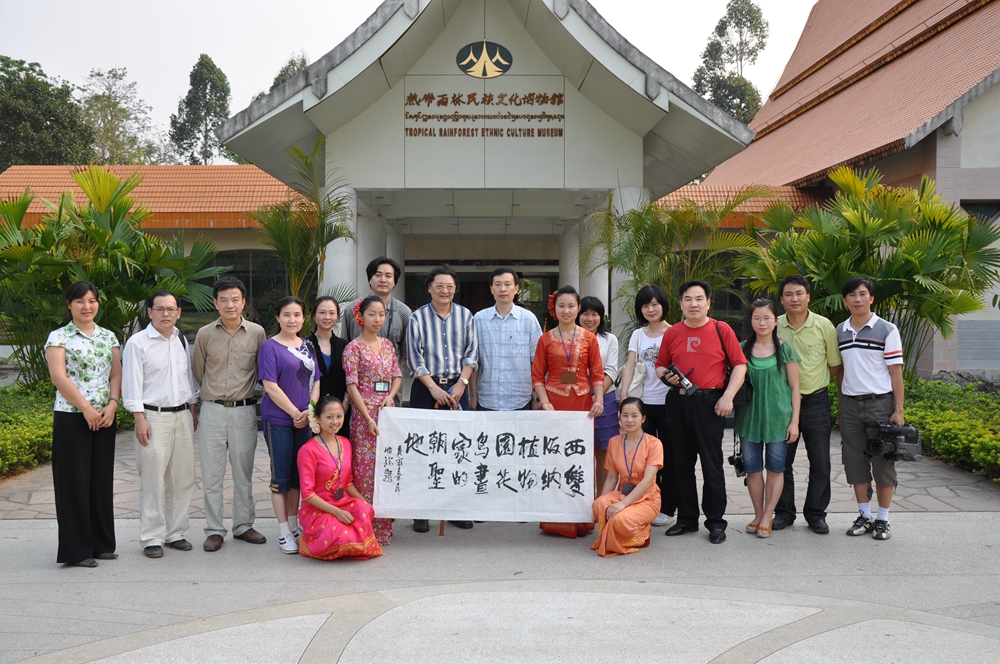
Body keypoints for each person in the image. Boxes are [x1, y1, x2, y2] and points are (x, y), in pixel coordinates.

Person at [654, 280, 746, 544]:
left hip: (710, 403)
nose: (693, 304)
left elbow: (740, 365)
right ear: (681, 304)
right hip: (678, 402)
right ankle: (686, 519)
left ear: (708, 303)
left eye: (698, 299)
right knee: (680, 464)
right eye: (688, 299)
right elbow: (660, 366)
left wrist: (728, 396)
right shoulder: (672, 333)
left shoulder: (721, 329)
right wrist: (666, 376)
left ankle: (716, 522)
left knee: (711, 464)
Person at [44, 281, 122, 567]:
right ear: (69, 305)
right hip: (71, 417)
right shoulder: (59, 337)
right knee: (73, 482)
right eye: (80, 301)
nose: (87, 306)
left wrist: (113, 404)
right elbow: (58, 377)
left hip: (104, 417)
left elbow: (116, 374)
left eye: (92, 301)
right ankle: (77, 551)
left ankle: (102, 544)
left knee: (100, 481)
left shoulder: (108, 336)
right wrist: (86, 408)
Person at [191, 276, 268, 552]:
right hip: (212, 410)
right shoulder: (204, 334)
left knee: (243, 474)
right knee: (212, 476)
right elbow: (198, 372)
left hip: (244, 411)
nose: (230, 305)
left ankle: (243, 525)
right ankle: (214, 530)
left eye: (235, 299)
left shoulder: (257, 333)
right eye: (223, 300)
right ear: (215, 303)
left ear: (243, 302)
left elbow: (261, 370)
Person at [121, 290, 199, 559]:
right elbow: (131, 383)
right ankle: (152, 537)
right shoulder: (137, 343)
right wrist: (139, 419)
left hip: (182, 415)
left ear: (178, 312)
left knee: (183, 477)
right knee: (153, 479)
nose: (166, 314)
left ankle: (175, 532)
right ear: (150, 312)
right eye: (160, 309)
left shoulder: (180, 339)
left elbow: (187, 378)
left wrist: (192, 409)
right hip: (153, 418)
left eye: (171, 309)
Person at [406, 264, 479, 533]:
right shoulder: (417, 317)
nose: (444, 291)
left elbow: (472, 354)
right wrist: (433, 388)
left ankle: (455, 508)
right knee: (423, 449)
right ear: (429, 288)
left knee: (457, 449)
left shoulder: (466, 316)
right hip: (426, 388)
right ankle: (421, 511)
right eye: (439, 286)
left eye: (449, 286)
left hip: (458, 387)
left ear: (455, 289)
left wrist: (462, 384)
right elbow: (414, 358)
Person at [532, 285, 605, 538]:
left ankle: (581, 519)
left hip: (583, 405)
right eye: (561, 306)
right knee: (555, 458)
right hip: (554, 404)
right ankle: (554, 520)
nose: (566, 310)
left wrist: (599, 399)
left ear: (578, 308)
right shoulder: (545, 339)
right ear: (554, 308)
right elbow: (537, 376)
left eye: (571, 306)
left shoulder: (590, 338)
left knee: (580, 459)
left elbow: (597, 374)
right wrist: (544, 402)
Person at [837, 277, 905, 541]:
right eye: (852, 295)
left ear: (871, 298)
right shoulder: (840, 330)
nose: (857, 299)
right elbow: (841, 371)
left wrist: (898, 410)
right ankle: (864, 516)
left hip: (880, 405)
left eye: (863, 294)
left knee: (883, 463)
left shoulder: (887, 329)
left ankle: (883, 519)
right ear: (845, 300)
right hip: (850, 405)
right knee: (854, 462)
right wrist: (841, 403)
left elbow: (896, 372)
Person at [773, 274, 842, 534]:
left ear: (808, 296)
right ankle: (784, 513)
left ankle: (816, 514)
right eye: (789, 294)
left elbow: (834, 365)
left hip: (816, 401)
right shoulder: (774, 325)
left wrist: (814, 385)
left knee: (820, 461)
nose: (794, 298)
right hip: (782, 403)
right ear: (782, 300)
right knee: (782, 461)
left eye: (799, 293)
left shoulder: (824, 326)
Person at [259, 296, 321, 554]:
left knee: (298, 476)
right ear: (278, 317)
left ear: (303, 318)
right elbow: (270, 385)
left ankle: (295, 526)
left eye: (297, 315)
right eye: (286, 314)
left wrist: (310, 410)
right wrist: (296, 412)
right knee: (281, 477)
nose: (292, 320)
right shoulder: (269, 347)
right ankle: (283, 530)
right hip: (279, 420)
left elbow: (317, 381)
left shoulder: (308, 345)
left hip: (305, 420)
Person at [734, 299, 801, 539]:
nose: (762, 323)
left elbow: (795, 388)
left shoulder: (786, 349)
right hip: (749, 419)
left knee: (775, 469)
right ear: (751, 321)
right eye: (757, 318)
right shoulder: (741, 349)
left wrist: (794, 422)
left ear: (775, 321)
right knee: (753, 470)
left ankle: (768, 516)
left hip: (778, 420)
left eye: (766, 318)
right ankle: (758, 514)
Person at [343, 296, 402, 546]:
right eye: (372, 314)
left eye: (381, 314)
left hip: (387, 412)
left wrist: (390, 396)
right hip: (364, 415)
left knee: (386, 467)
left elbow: (397, 375)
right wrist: (367, 417)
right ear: (360, 317)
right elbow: (352, 385)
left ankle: (383, 528)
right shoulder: (353, 348)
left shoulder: (387, 345)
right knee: (365, 471)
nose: (377, 319)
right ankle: (365, 527)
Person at [296, 396, 382, 560]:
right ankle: (311, 538)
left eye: (339, 416)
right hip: (319, 508)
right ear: (317, 419)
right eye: (329, 417)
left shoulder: (345, 443)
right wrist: (337, 512)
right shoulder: (308, 450)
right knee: (342, 537)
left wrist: (364, 502)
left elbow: (347, 483)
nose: (335, 422)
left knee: (363, 509)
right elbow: (307, 494)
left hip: (342, 502)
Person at [617, 284, 675, 527]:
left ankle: (667, 507)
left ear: (663, 305)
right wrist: (624, 397)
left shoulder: (673, 332)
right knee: (642, 459)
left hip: (669, 403)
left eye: (655, 304)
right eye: (645, 305)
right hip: (643, 404)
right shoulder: (638, 335)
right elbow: (630, 366)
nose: (651, 309)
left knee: (668, 457)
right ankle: (646, 502)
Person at [591, 398, 663, 556]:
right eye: (625, 415)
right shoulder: (614, 442)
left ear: (643, 418)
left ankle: (641, 533)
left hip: (647, 498)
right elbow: (611, 478)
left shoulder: (654, 443)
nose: (629, 420)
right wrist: (601, 505)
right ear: (619, 417)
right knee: (598, 505)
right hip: (622, 494)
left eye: (634, 415)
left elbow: (648, 481)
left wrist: (623, 504)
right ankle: (619, 532)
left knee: (619, 519)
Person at [470, 267, 542, 412]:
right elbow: (474, 362)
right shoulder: (479, 319)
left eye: (507, 284)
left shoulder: (528, 319)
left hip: (521, 400)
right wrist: (472, 395)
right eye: (498, 284)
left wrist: (536, 396)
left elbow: (537, 361)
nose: (503, 289)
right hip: (487, 400)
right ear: (491, 289)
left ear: (516, 288)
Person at [342, 256, 411, 372]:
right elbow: (344, 345)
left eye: (388, 276)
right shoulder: (352, 309)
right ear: (370, 279)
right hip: (356, 380)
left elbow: (404, 352)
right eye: (378, 275)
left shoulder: (404, 312)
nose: (383, 280)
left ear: (394, 282)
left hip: (391, 380)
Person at [577, 296, 618, 492]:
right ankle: (580, 498)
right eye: (585, 313)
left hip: (605, 398)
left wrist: (596, 395)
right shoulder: (570, 338)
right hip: (576, 398)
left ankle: (600, 498)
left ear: (601, 317)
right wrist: (582, 395)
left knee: (603, 450)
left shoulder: (609, 339)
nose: (590, 318)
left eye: (595, 314)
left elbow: (611, 370)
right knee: (578, 450)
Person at [309, 296, 350, 436]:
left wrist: (343, 406)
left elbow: (350, 378)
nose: (327, 317)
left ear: (337, 316)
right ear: (314, 315)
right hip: (313, 415)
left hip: (339, 414)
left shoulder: (345, 346)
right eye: (322, 312)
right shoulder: (304, 346)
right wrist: (311, 411)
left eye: (332, 313)